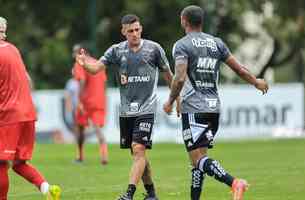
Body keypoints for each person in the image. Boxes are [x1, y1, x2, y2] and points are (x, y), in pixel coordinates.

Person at [163, 5, 269, 200]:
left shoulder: (182, 45)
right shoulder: (217, 43)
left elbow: (178, 78)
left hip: (194, 109)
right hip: (214, 109)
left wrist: (170, 100)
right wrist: (256, 82)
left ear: (184, 21)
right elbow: (240, 70)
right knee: (198, 160)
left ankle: (234, 182)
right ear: (201, 22)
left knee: (198, 159)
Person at [76, 14, 175, 200]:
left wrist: (175, 99)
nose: (135, 34)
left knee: (138, 149)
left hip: (147, 108)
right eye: (130, 31)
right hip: (126, 110)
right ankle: (152, 193)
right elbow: (97, 68)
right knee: (138, 154)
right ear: (123, 32)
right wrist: (85, 64)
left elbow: (169, 76)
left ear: (141, 29)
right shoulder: (116, 51)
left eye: (137, 30)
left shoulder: (154, 49)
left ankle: (128, 194)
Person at [0, 16, 61, 200]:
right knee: (19, 163)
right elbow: (28, 80)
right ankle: (47, 189)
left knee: (1, 163)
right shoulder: (13, 49)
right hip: (27, 113)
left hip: (9, 115)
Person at [72, 44, 109, 165]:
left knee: (80, 127)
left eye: (75, 52)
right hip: (99, 100)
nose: (74, 55)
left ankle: (79, 156)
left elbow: (82, 80)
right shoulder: (98, 63)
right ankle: (104, 156)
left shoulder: (80, 63)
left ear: (82, 52)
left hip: (86, 101)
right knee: (97, 128)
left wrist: (79, 100)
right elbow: (104, 83)